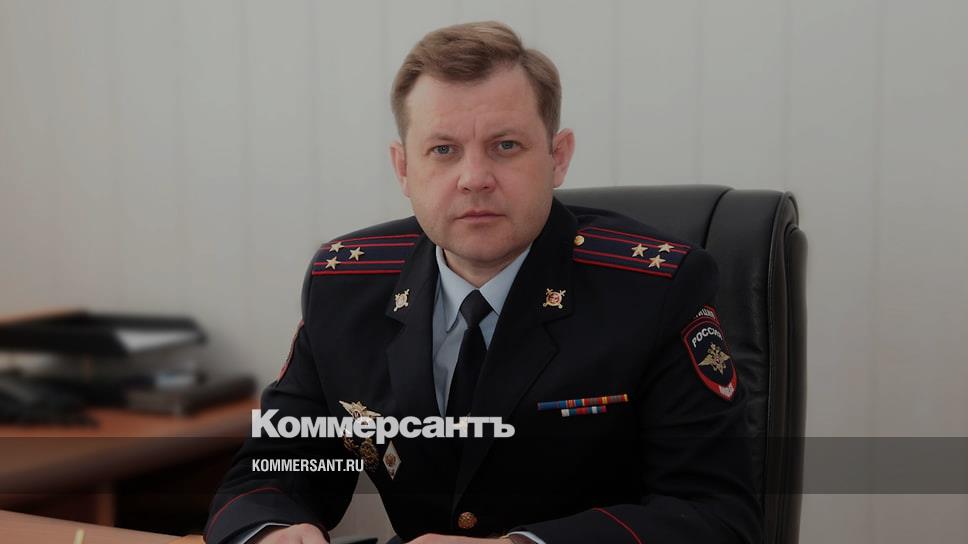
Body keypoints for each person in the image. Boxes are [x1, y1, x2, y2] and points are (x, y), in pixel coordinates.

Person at [205, 21, 760, 544]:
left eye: (506, 145)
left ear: (558, 157)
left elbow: (717, 516)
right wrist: (273, 528)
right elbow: (273, 469)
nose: (474, 178)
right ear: (403, 168)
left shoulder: (655, 290)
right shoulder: (345, 284)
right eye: (443, 150)